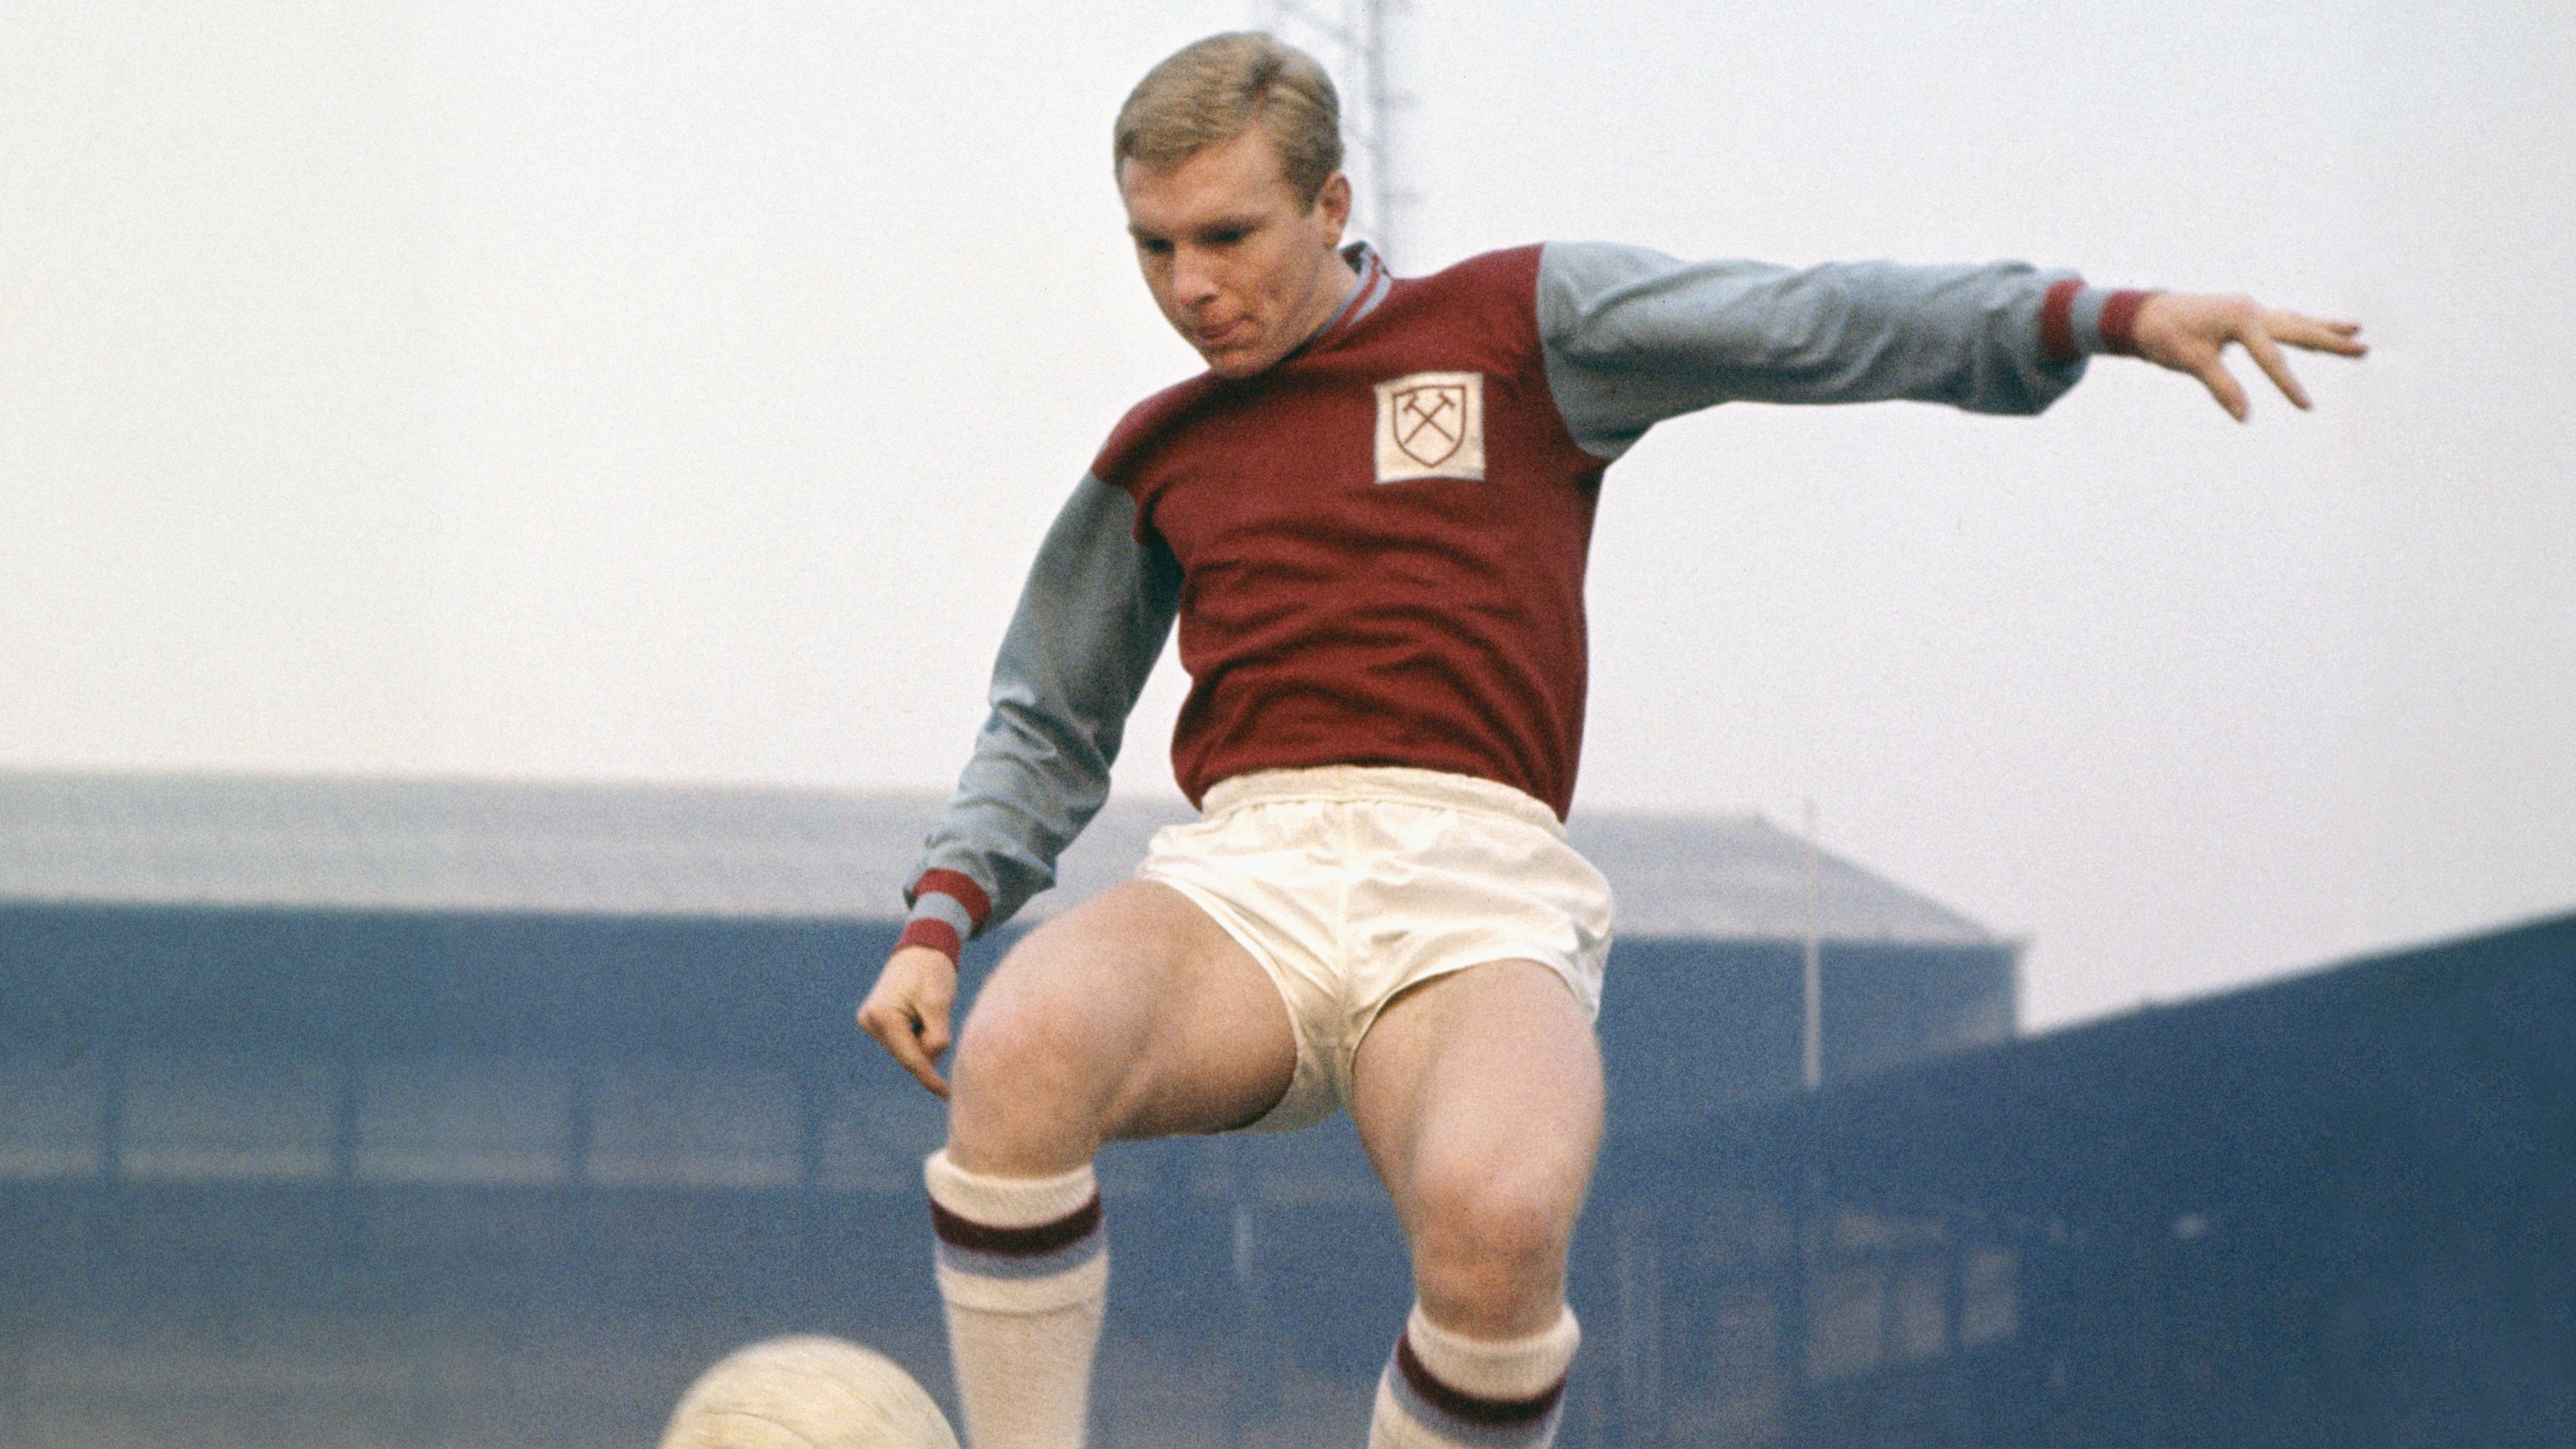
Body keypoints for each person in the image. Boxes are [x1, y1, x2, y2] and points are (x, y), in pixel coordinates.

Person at [856, 31, 2363, 1449]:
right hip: (1251, 877)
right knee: (1027, 1044)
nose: (1190, 286)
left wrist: (2094, 315)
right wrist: (944, 915)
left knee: (1500, 1220)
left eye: (1229, 238)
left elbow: (1808, 320)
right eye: (1154, 246)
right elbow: (1046, 716)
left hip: (1479, 893)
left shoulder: (1519, 327)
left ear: (1331, 203)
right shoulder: (1158, 449)